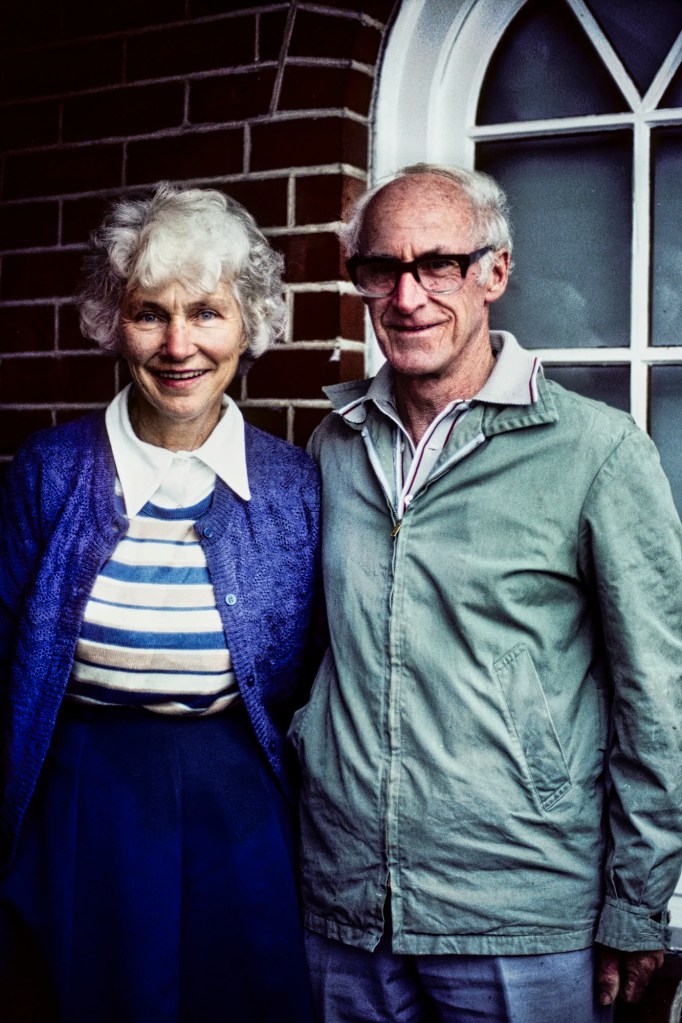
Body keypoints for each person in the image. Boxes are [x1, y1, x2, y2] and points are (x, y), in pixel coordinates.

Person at [289, 163, 682, 1023]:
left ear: (494, 272)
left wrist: (636, 901)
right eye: (382, 268)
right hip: (346, 907)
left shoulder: (597, 451)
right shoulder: (334, 445)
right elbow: (311, 652)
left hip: (520, 909)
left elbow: (659, 697)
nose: (408, 296)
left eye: (438, 264)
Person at [0, 184, 319, 1023]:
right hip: (84, 796)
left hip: (238, 799)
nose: (180, 346)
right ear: (114, 322)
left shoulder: (295, 485)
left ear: (249, 324)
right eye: (150, 313)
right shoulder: (49, 470)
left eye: (207, 312)